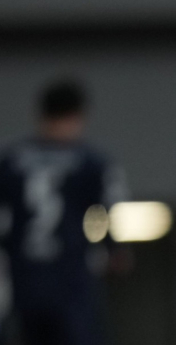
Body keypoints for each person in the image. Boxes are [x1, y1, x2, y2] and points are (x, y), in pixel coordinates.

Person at [0, 79, 128, 345]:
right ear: (77, 116)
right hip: (70, 275)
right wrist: (114, 248)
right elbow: (109, 208)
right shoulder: (90, 161)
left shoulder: (12, 159)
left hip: (23, 276)